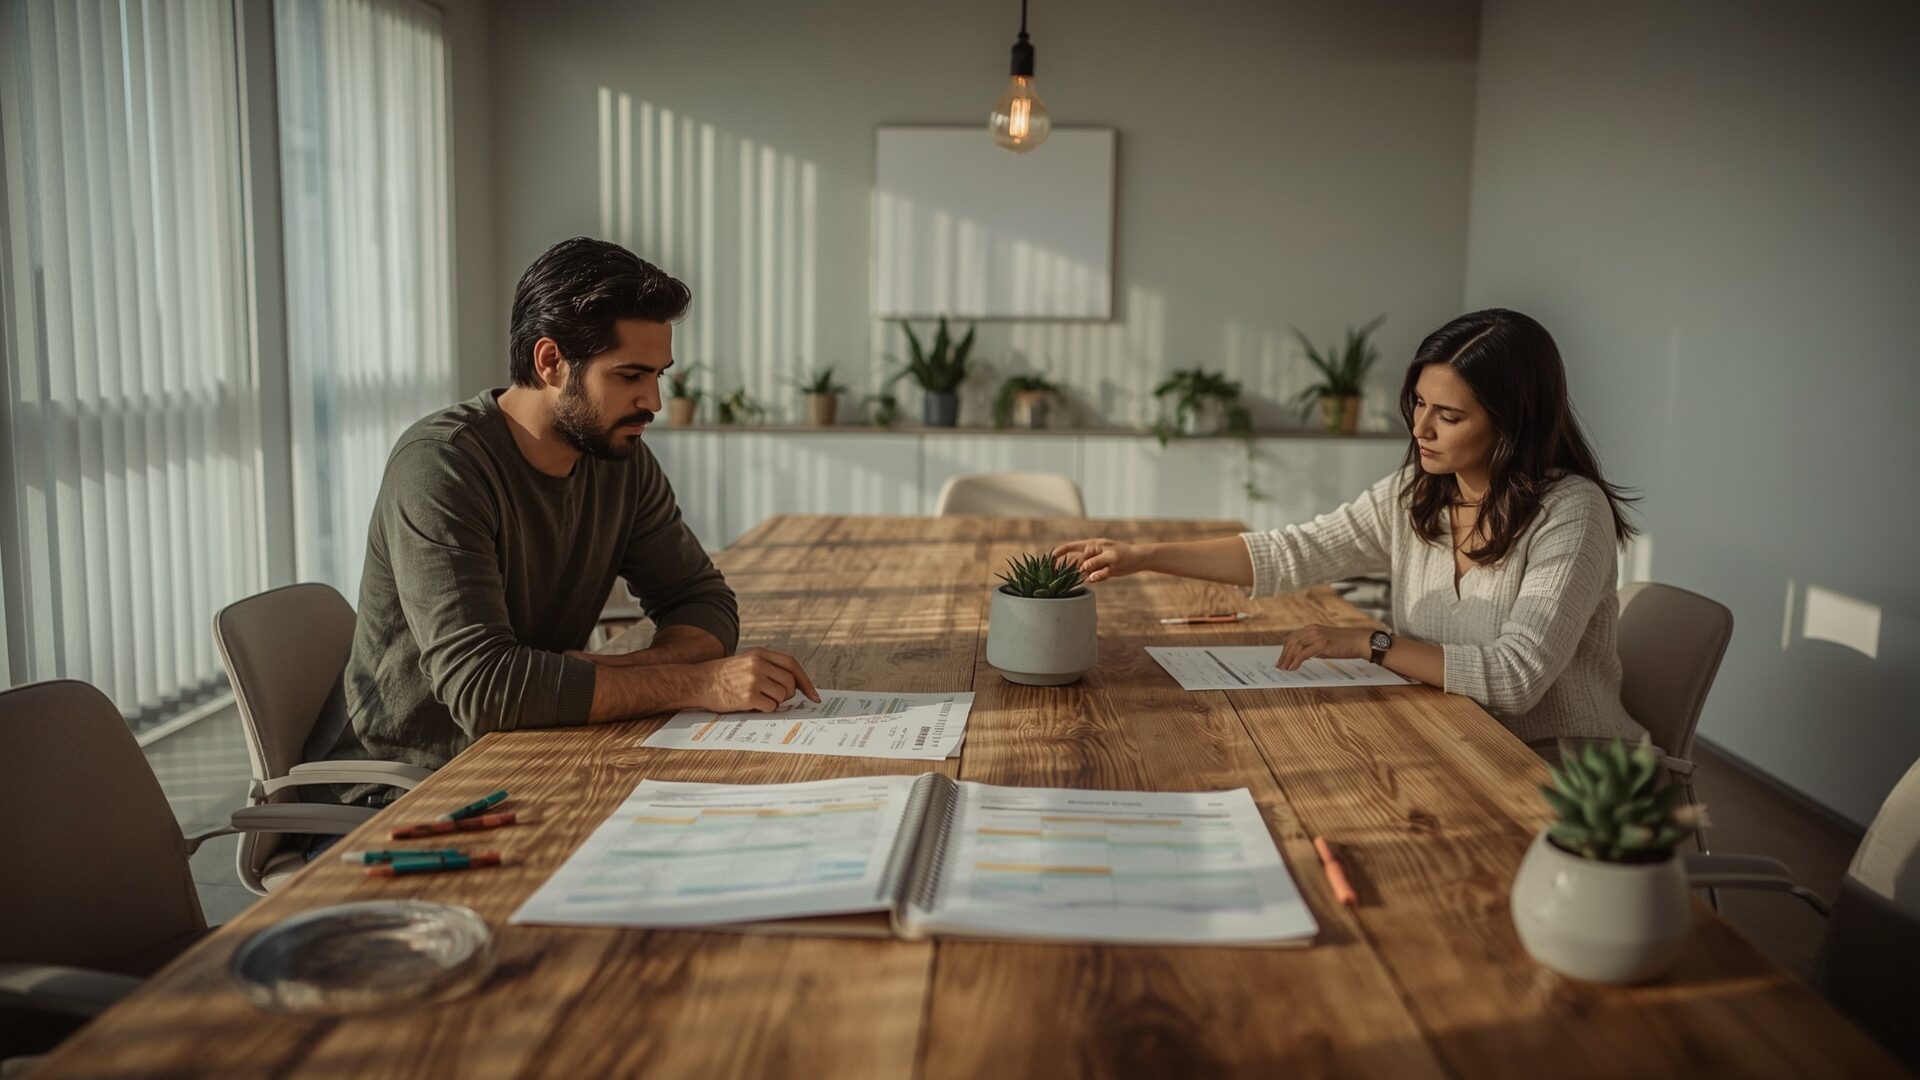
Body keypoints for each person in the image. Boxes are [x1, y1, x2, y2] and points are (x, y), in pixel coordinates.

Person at [307, 237, 818, 803]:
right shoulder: (440, 466)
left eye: (659, 375)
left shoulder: (618, 457)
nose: (653, 400)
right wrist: (698, 681)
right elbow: (486, 689)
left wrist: (617, 666)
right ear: (550, 362)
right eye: (629, 375)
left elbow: (701, 600)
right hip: (406, 790)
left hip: (530, 753)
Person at [1055, 308, 1645, 753]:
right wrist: (1143, 554)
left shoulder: (1571, 512)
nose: (1421, 428)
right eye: (1417, 404)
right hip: (1450, 736)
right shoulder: (1418, 493)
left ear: (1514, 424)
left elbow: (1516, 679)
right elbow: (1296, 552)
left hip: (1561, 766)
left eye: (1450, 415)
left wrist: (1373, 643)